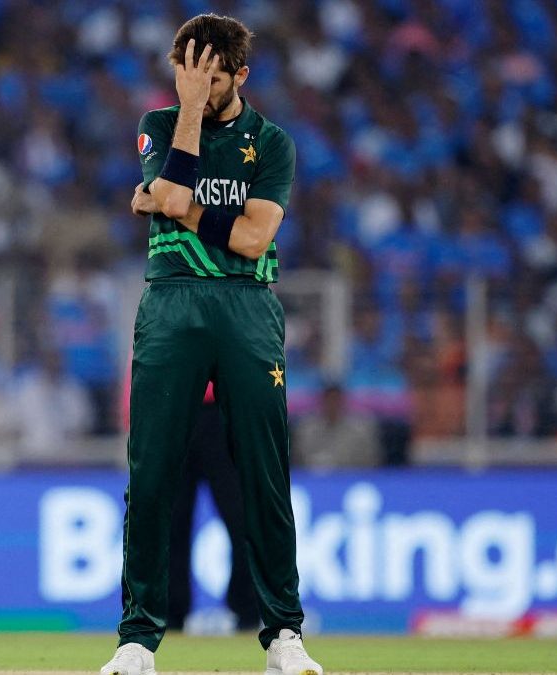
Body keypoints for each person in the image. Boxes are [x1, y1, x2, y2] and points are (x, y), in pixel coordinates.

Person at [103, 14, 322, 675]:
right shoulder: (161, 123)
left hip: (247, 303)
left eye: (212, 78)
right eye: (186, 75)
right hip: (171, 299)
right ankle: (138, 639)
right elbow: (166, 189)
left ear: (241, 76)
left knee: (264, 472)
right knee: (150, 476)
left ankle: (284, 634)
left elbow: (254, 239)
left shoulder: (273, 144)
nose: (196, 88)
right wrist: (187, 121)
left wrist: (171, 205)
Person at [166, 387, 259, 634]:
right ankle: (171, 612)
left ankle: (247, 608)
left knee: (242, 519)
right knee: (171, 523)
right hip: (174, 405)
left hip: (224, 409)